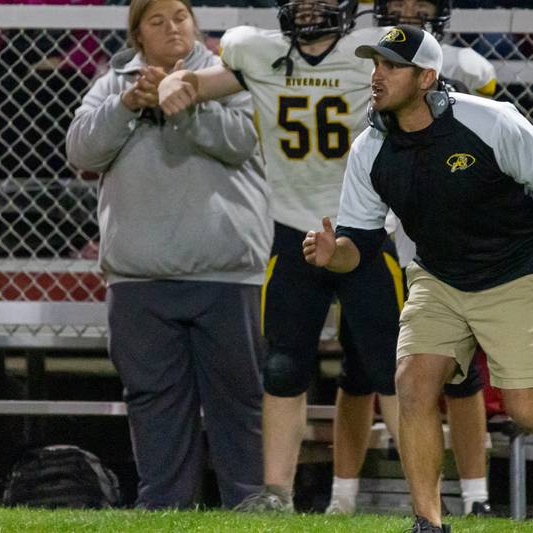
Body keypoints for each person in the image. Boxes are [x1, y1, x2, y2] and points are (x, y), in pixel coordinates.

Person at [303, 25, 533, 533]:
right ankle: (429, 522)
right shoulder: (369, 148)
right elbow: (361, 247)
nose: (377, 76)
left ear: (426, 77)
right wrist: (334, 255)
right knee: (413, 385)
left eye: (391, 66)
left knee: (529, 409)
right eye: (375, 64)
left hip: (515, 274)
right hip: (438, 278)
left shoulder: (489, 120)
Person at [158, 0, 403, 513]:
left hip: (365, 232)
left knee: (392, 369)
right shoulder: (257, 51)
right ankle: (277, 496)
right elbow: (200, 85)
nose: (310, 9)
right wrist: (172, 86)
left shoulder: (371, 56)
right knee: (283, 368)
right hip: (293, 231)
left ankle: (424, 491)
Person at [66, 0, 270, 509]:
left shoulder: (232, 75)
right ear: (138, 37)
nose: (172, 27)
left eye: (180, 16)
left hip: (226, 273)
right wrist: (129, 106)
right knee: (153, 404)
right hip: (138, 281)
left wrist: (185, 104)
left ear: (195, 24)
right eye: (156, 21)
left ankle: (248, 509)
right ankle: (162, 512)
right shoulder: (113, 85)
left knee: (238, 403)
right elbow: (81, 151)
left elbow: (244, 140)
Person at [370, 0, 498, 516]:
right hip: (406, 241)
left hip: (463, 242)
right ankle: (426, 507)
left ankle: (475, 496)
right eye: (398, 4)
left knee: (462, 380)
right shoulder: (377, 77)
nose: (408, 12)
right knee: (401, 377)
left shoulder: (466, 69)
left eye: (419, 4)